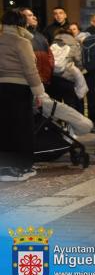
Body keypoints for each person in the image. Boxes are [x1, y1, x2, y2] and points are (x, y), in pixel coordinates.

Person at [0, 9, 44, 181]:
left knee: (4, 126)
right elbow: (30, 69)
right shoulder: (22, 42)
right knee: (22, 128)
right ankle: (22, 167)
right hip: (19, 88)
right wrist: (39, 92)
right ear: (22, 24)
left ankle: (4, 166)